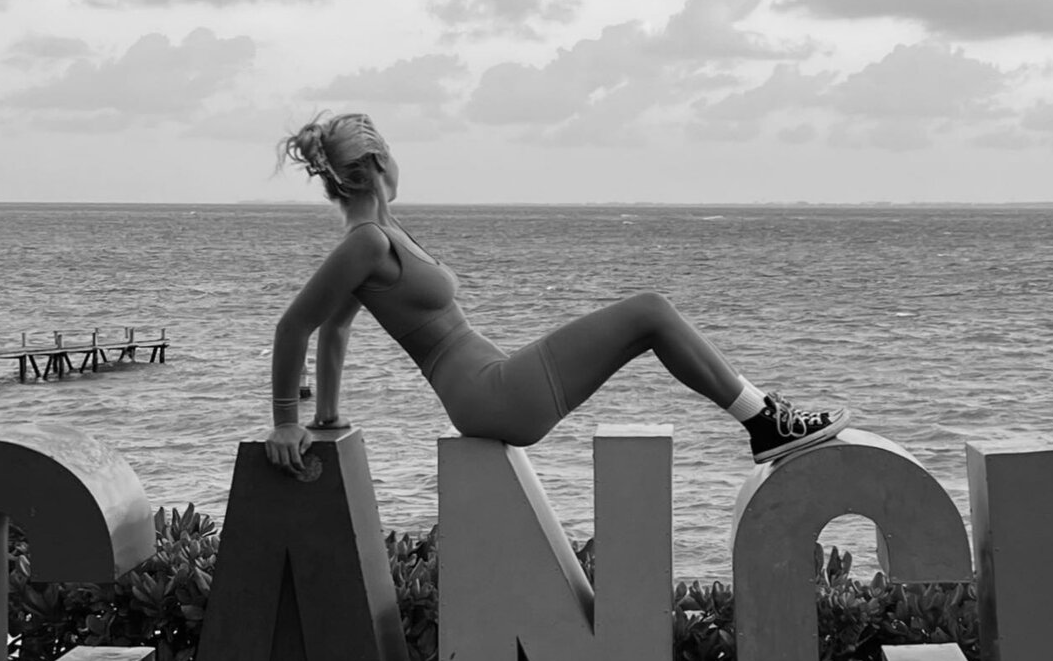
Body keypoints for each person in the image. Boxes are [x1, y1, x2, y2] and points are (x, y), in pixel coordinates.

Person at [263, 112, 848, 475]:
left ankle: (765, 418)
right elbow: (295, 326)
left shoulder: (378, 234)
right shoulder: (366, 241)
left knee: (649, 319)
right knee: (650, 311)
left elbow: (336, 327)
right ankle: (765, 422)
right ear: (378, 161)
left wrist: (328, 416)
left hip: (490, 382)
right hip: (490, 394)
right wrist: (287, 422)